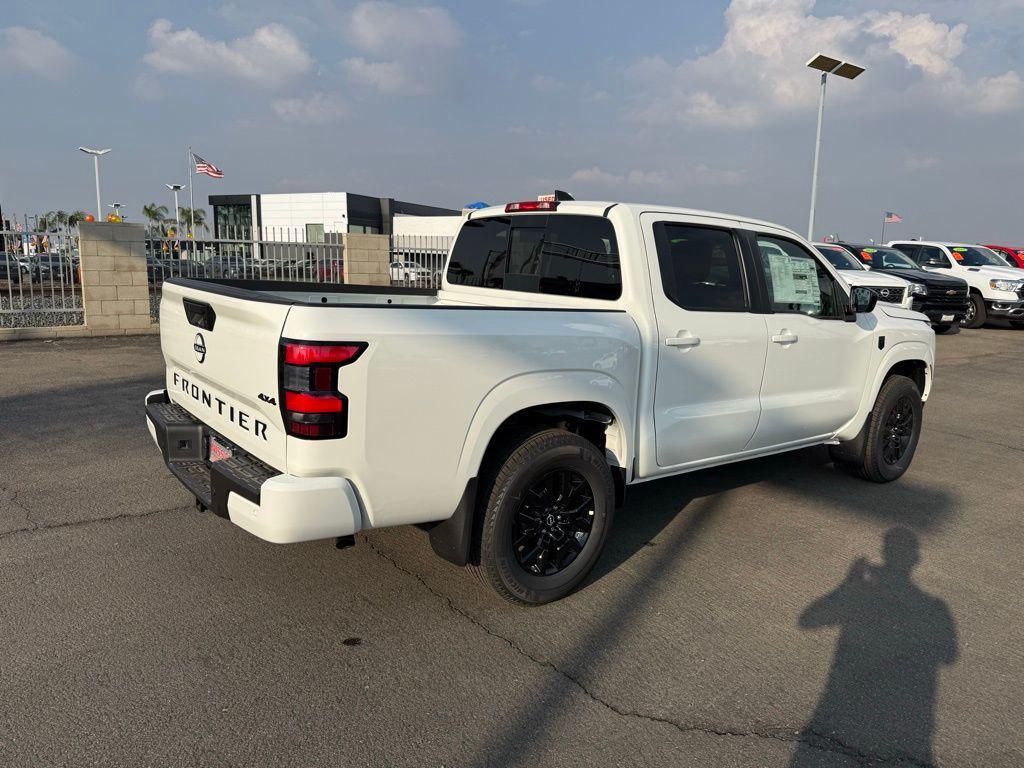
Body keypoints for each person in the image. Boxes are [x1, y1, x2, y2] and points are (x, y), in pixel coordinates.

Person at [789, 527, 957, 766]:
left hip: (842, 711)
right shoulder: (934, 607)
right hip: (909, 723)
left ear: (884, 554)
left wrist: (847, 584)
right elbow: (949, 656)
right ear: (915, 559)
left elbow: (808, 620)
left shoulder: (861, 593)